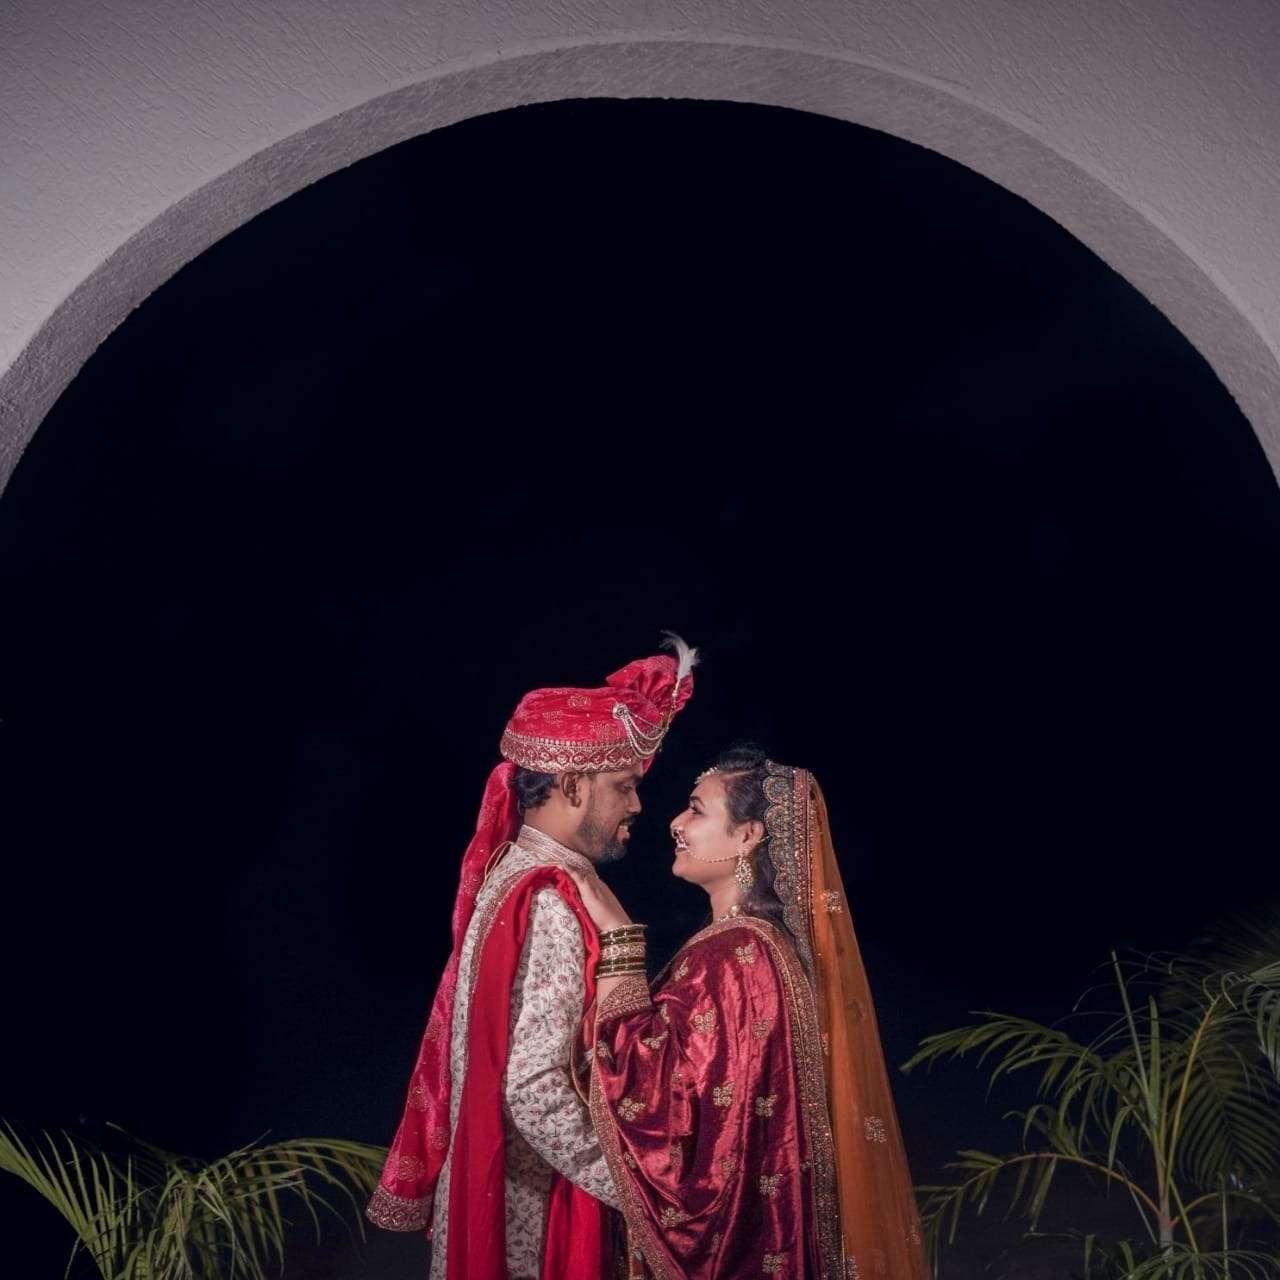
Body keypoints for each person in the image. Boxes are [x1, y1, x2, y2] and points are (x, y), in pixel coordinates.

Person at [367, 636, 698, 1280]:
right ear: (572, 784)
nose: (637, 806)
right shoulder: (548, 899)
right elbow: (537, 1091)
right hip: (534, 1222)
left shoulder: (516, 871)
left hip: (510, 1199)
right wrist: (651, 1198)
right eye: (625, 786)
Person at [569, 745, 928, 1280]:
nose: (675, 822)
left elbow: (663, 1099)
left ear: (748, 835)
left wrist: (620, 942)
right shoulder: (761, 946)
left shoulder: (733, 954)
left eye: (696, 810)